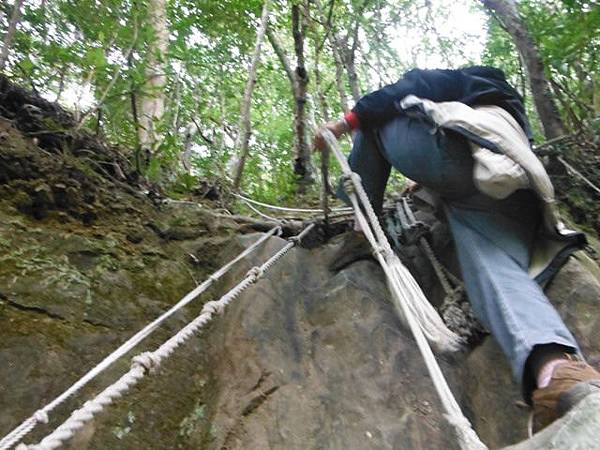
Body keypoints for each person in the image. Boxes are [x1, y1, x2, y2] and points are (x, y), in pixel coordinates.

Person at [314, 66, 600, 431]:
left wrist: (345, 122)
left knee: (374, 115)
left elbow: (408, 89)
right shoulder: (508, 105)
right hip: (513, 183)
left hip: (465, 149)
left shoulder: (469, 78)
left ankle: (361, 228)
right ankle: (560, 374)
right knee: (499, 277)